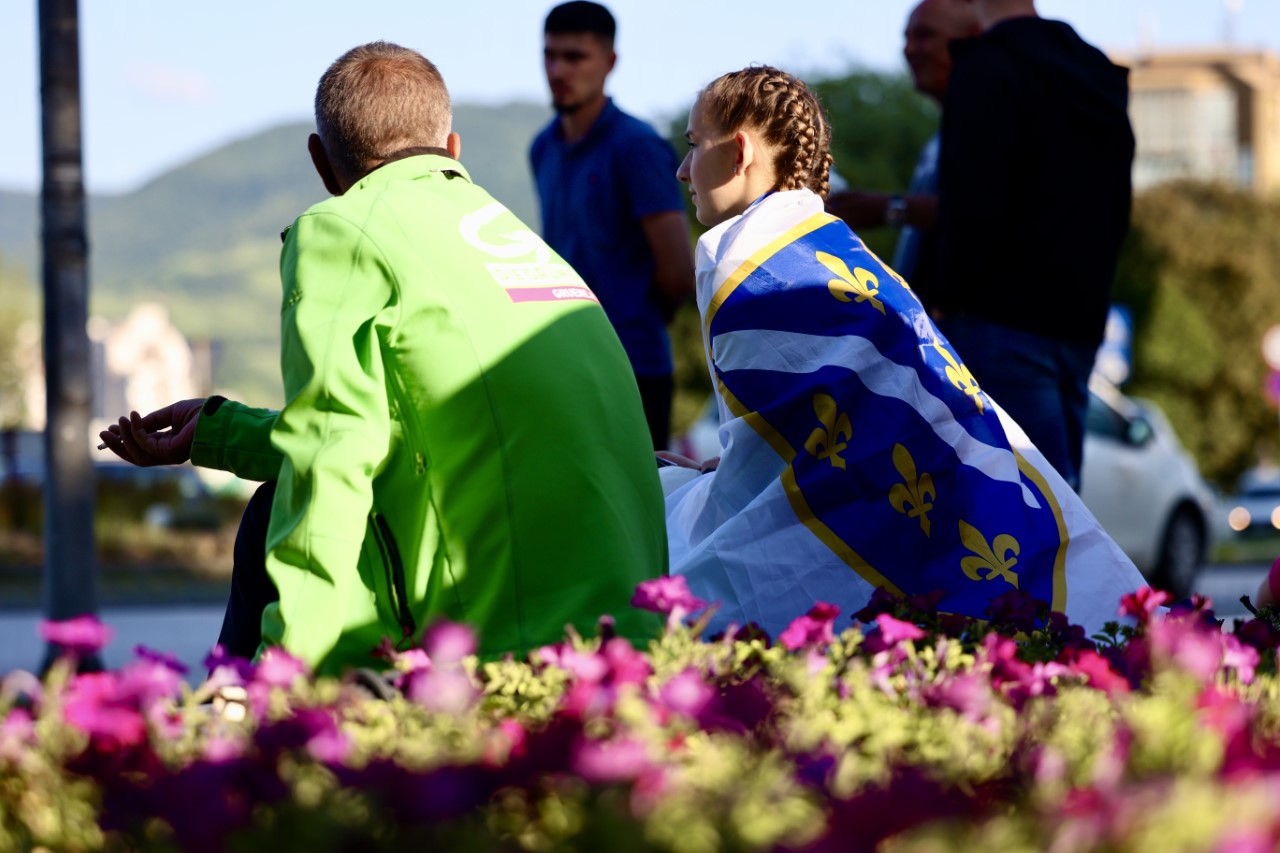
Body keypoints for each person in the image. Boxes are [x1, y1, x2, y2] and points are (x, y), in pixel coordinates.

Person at [99, 41, 666, 676]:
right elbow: (413, 428)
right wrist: (218, 431)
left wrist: (281, 671)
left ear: (322, 163)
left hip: (505, 646)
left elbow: (332, 453)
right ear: (454, 150)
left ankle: (238, 741)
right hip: (629, 637)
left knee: (267, 518)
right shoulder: (516, 241)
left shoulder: (340, 229)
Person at [660, 64, 1147, 641]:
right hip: (967, 500)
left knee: (659, 552)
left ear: (739, 151)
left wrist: (711, 475)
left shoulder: (744, 265)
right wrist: (727, 464)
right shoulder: (840, 248)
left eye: (694, 146)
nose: (683, 169)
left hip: (884, 524)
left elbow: (777, 468)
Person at [931, 0, 1136, 493]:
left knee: (1025, 507)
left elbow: (973, 206)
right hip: (1079, 324)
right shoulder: (1095, 72)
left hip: (1000, 321)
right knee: (1059, 499)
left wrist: (943, 301)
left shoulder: (985, 68)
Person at [530, 0, 694, 450]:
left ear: (609, 61)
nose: (558, 69)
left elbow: (677, 273)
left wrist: (630, 317)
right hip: (565, 362)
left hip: (633, 368)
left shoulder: (636, 146)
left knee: (638, 513)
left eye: (575, 56)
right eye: (550, 55)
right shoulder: (542, 147)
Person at [824, 0, 980, 313]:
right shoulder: (939, 139)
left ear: (971, 40)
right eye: (906, 38)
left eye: (925, 35)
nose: (909, 50)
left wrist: (889, 209)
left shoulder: (986, 127)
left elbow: (984, 210)